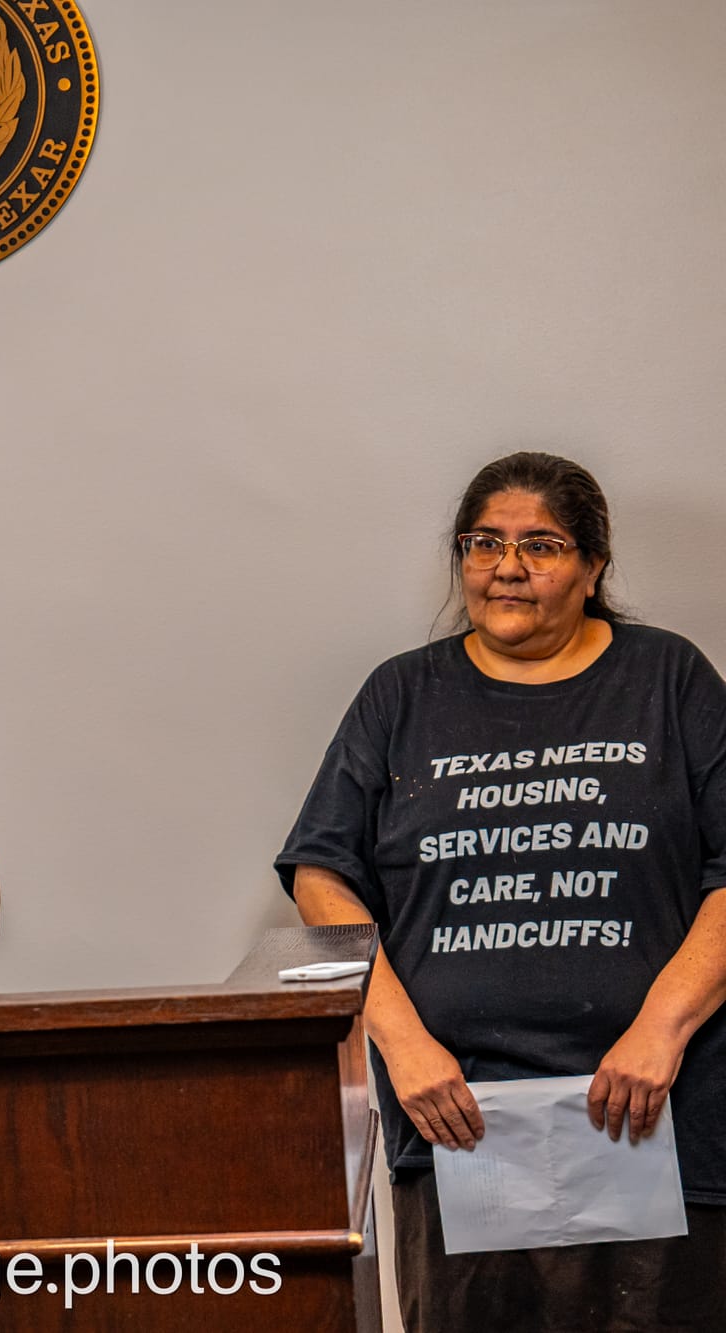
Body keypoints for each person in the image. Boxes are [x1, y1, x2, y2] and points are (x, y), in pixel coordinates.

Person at [277, 452, 726, 1330]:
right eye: (484, 543)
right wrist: (403, 1046)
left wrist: (661, 1027)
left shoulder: (668, 680)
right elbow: (322, 873)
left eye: (541, 545)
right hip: (461, 1125)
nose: (507, 567)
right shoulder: (402, 693)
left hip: (654, 1112)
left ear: (594, 567)